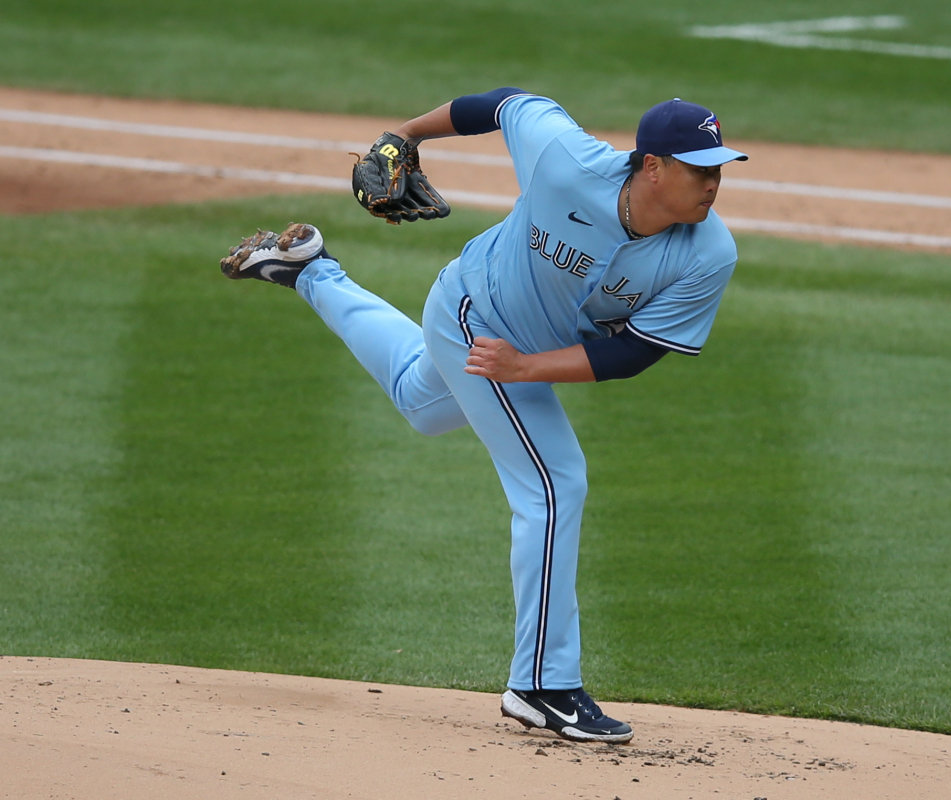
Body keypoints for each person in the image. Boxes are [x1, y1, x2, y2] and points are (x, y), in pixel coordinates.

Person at [219, 89, 747, 743]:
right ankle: (543, 685)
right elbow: (506, 103)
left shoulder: (708, 253)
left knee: (421, 403)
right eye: (700, 169)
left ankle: (309, 272)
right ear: (653, 167)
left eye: (719, 168)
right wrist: (406, 135)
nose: (713, 183)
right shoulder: (565, 160)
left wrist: (528, 367)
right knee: (555, 483)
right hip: (475, 313)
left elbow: (635, 352)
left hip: (515, 353)